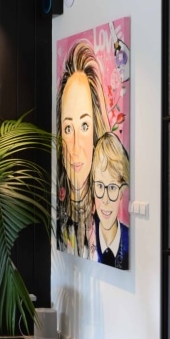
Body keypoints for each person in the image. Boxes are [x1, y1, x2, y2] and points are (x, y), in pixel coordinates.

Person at [55, 39, 110, 259]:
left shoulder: (107, 225)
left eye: (84, 126)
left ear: (96, 131)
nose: (75, 145)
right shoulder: (58, 222)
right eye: (68, 128)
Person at [92, 132, 130, 269]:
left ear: (122, 191)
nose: (105, 199)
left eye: (112, 187)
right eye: (100, 186)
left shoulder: (130, 241)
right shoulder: (85, 236)